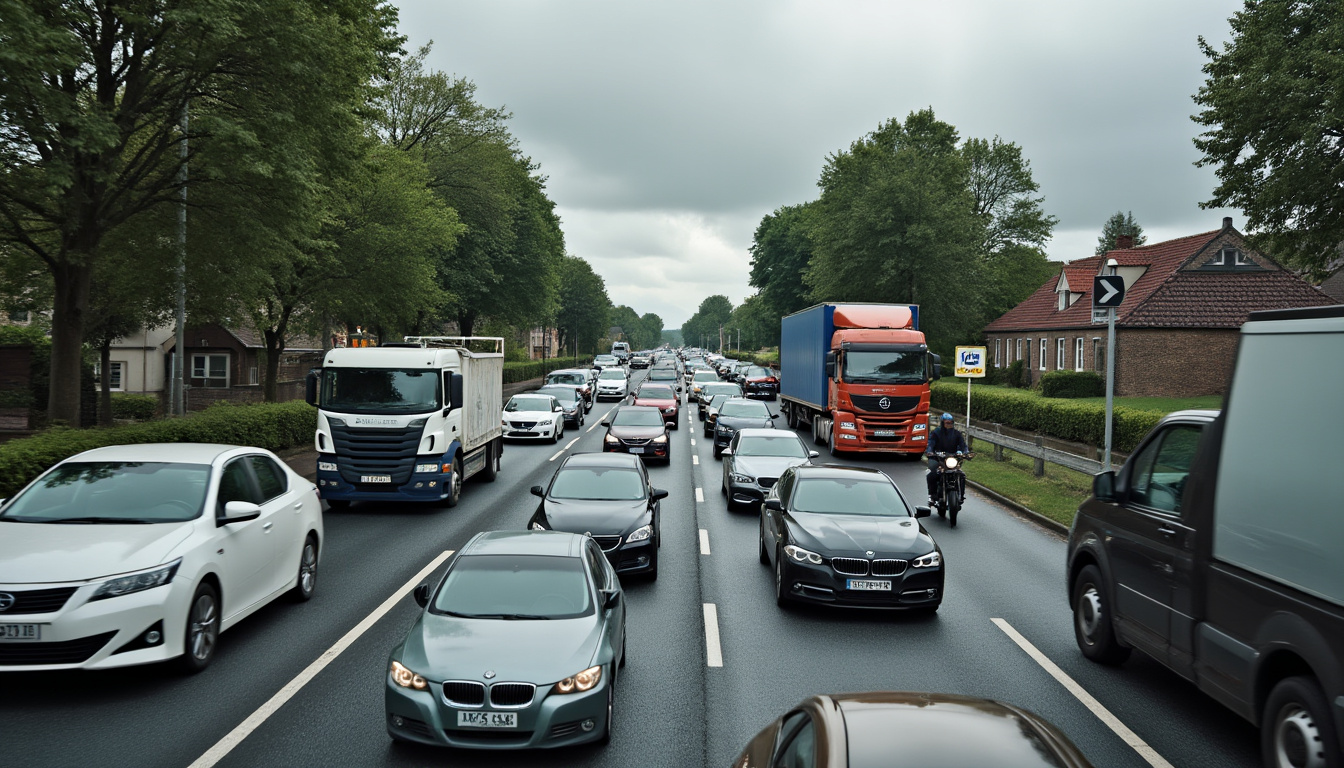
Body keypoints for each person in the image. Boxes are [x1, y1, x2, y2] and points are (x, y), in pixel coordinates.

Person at [926, 412, 968, 503]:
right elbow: (931, 443)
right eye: (947, 423)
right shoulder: (936, 433)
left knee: (961, 475)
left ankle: (961, 495)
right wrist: (930, 452)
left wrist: (964, 452)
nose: (949, 425)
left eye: (951, 423)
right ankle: (932, 495)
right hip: (938, 457)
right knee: (932, 474)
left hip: (952, 458)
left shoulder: (957, 434)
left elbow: (963, 445)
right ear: (942, 423)